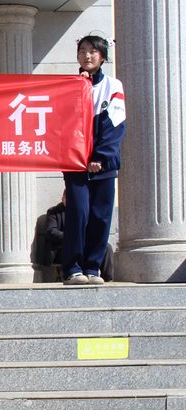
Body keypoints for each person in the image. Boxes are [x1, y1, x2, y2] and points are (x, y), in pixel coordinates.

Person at [61, 34, 125, 286]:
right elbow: (63, 125)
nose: (87, 56)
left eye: (92, 51)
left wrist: (101, 156)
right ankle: (73, 269)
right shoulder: (69, 85)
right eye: (82, 51)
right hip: (75, 164)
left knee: (100, 216)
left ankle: (93, 267)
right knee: (78, 214)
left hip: (103, 166)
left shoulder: (112, 85)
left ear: (102, 56)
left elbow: (114, 125)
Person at [45, 190, 113, 282]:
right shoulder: (53, 212)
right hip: (63, 247)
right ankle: (74, 272)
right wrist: (72, 237)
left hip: (83, 245)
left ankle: (108, 279)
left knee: (107, 247)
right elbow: (51, 232)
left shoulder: (83, 210)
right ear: (63, 198)